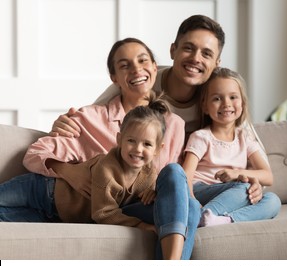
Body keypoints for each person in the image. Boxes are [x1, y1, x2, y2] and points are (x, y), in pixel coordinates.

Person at [0, 37, 200, 260]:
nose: (136, 69)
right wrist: (69, 171)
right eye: (125, 65)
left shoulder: (174, 125)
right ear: (114, 78)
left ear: (155, 67)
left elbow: (170, 179)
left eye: (143, 60)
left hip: (124, 207)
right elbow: (37, 152)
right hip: (62, 197)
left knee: (189, 206)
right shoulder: (91, 117)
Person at [50, 14, 265, 205]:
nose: (195, 58)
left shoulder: (218, 97)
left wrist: (251, 182)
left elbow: (246, 145)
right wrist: (64, 124)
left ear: (216, 63)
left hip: (188, 183)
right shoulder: (143, 80)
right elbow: (97, 117)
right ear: (173, 50)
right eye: (188, 48)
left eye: (206, 54)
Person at [0, 96, 166, 233]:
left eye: (147, 144)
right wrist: (141, 226)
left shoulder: (150, 175)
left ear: (158, 149)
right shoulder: (107, 169)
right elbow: (104, 214)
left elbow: (143, 193)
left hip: (57, 215)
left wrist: (151, 193)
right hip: (43, 189)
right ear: (119, 140)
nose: (138, 149)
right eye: (131, 140)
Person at [182, 67, 281, 227]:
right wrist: (192, 201)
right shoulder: (201, 137)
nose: (226, 104)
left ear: (242, 103)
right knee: (243, 189)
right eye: (217, 99)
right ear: (205, 106)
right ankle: (199, 215)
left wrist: (236, 173)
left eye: (233, 97)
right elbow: (186, 175)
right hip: (202, 190)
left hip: (233, 191)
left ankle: (222, 220)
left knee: (273, 201)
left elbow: (267, 176)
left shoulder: (245, 138)